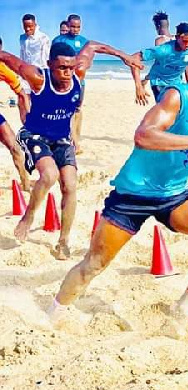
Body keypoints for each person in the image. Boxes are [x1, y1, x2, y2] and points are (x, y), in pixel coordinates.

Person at [50, 44, 188, 329]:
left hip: (174, 194)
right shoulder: (178, 98)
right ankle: (54, 313)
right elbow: (144, 136)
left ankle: (184, 307)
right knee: (94, 264)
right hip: (133, 194)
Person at [0, 41, 141, 260]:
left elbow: (93, 46)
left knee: (70, 185)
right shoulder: (38, 79)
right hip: (34, 135)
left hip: (62, 139)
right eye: (61, 68)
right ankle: (28, 216)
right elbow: (10, 60)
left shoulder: (78, 73)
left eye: (70, 67)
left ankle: (63, 241)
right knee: (49, 175)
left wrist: (124, 55)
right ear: (49, 66)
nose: (67, 73)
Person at [132, 22, 188, 105]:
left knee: (182, 107)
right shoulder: (164, 50)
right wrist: (138, 86)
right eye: (185, 41)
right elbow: (135, 58)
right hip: (159, 81)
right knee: (167, 107)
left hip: (176, 82)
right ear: (177, 37)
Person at [53, 14, 89, 156]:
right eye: (73, 26)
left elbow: (87, 61)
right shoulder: (59, 40)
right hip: (62, 82)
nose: (75, 29)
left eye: (78, 27)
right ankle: (64, 140)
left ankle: (76, 141)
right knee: (62, 110)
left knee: (77, 110)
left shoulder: (84, 42)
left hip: (79, 82)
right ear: (68, 25)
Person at [0, 38, 30, 191]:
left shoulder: (2, 69)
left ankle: (25, 185)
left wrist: (28, 117)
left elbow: (22, 94)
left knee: (15, 147)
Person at [20, 14, 51, 121]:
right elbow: (22, 56)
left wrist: (47, 75)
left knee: (39, 101)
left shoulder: (43, 38)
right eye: (25, 26)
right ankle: (27, 125)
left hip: (39, 73)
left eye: (30, 26)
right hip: (25, 74)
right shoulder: (22, 38)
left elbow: (46, 58)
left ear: (35, 24)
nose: (28, 29)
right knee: (23, 99)